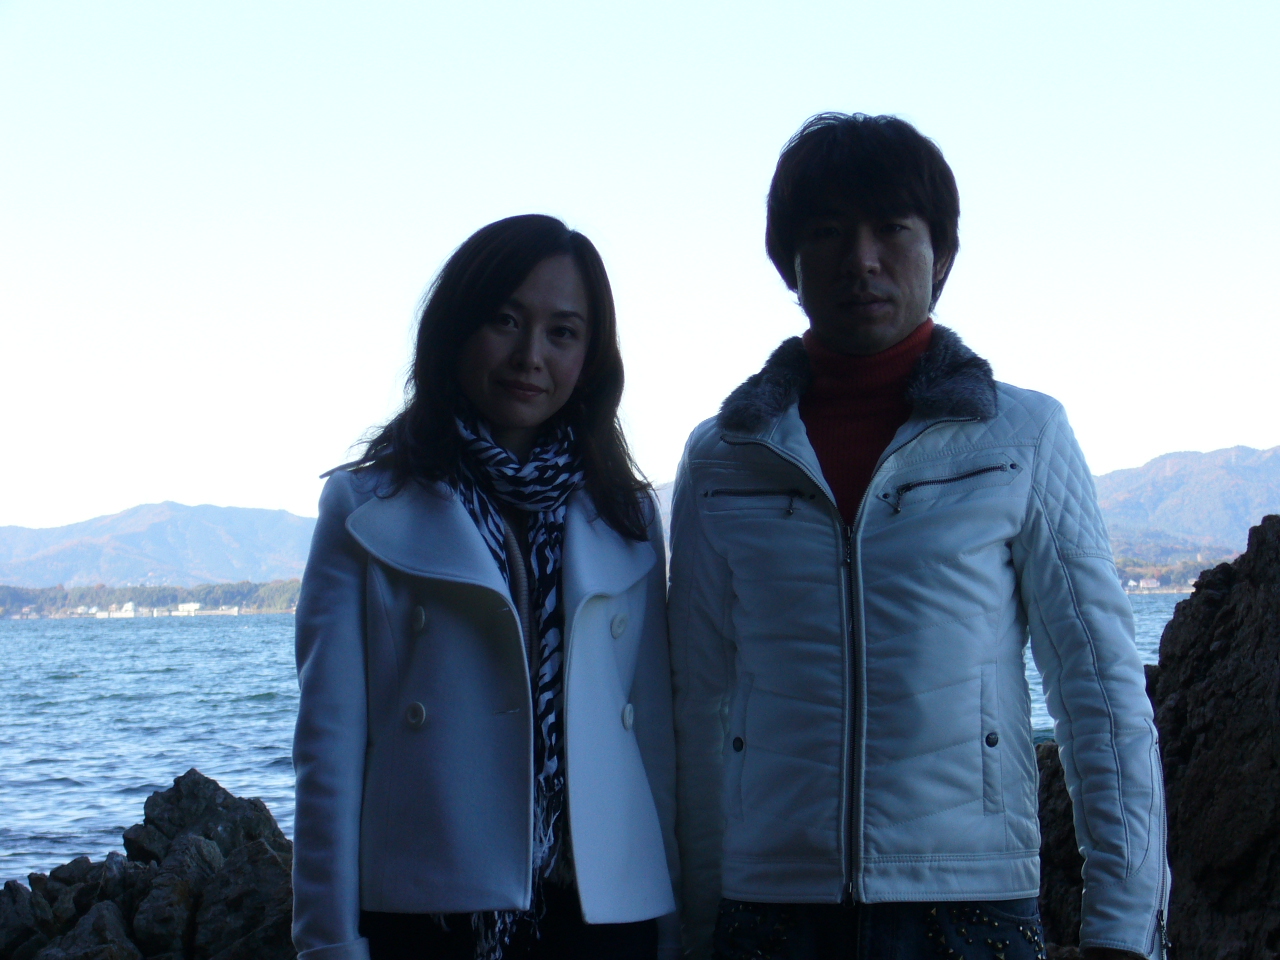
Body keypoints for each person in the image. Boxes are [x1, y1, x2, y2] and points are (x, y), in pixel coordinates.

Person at [669, 114, 1169, 960]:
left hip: (970, 907)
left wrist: (1123, 931)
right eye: (827, 231)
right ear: (788, 262)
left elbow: (1099, 685)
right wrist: (692, 926)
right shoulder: (723, 455)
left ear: (940, 253)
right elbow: (697, 703)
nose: (861, 259)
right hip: (769, 908)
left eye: (892, 228)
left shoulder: (1022, 436)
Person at [292, 215, 680, 960]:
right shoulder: (365, 506)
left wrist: (672, 924)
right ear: (456, 327)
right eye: (505, 320)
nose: (530, 356)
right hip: (430, 909)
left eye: (563, 333)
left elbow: (653, 738)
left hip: (604, 911)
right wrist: (328, 942)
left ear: (591, 356)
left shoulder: (627, 517)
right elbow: (329, 748)